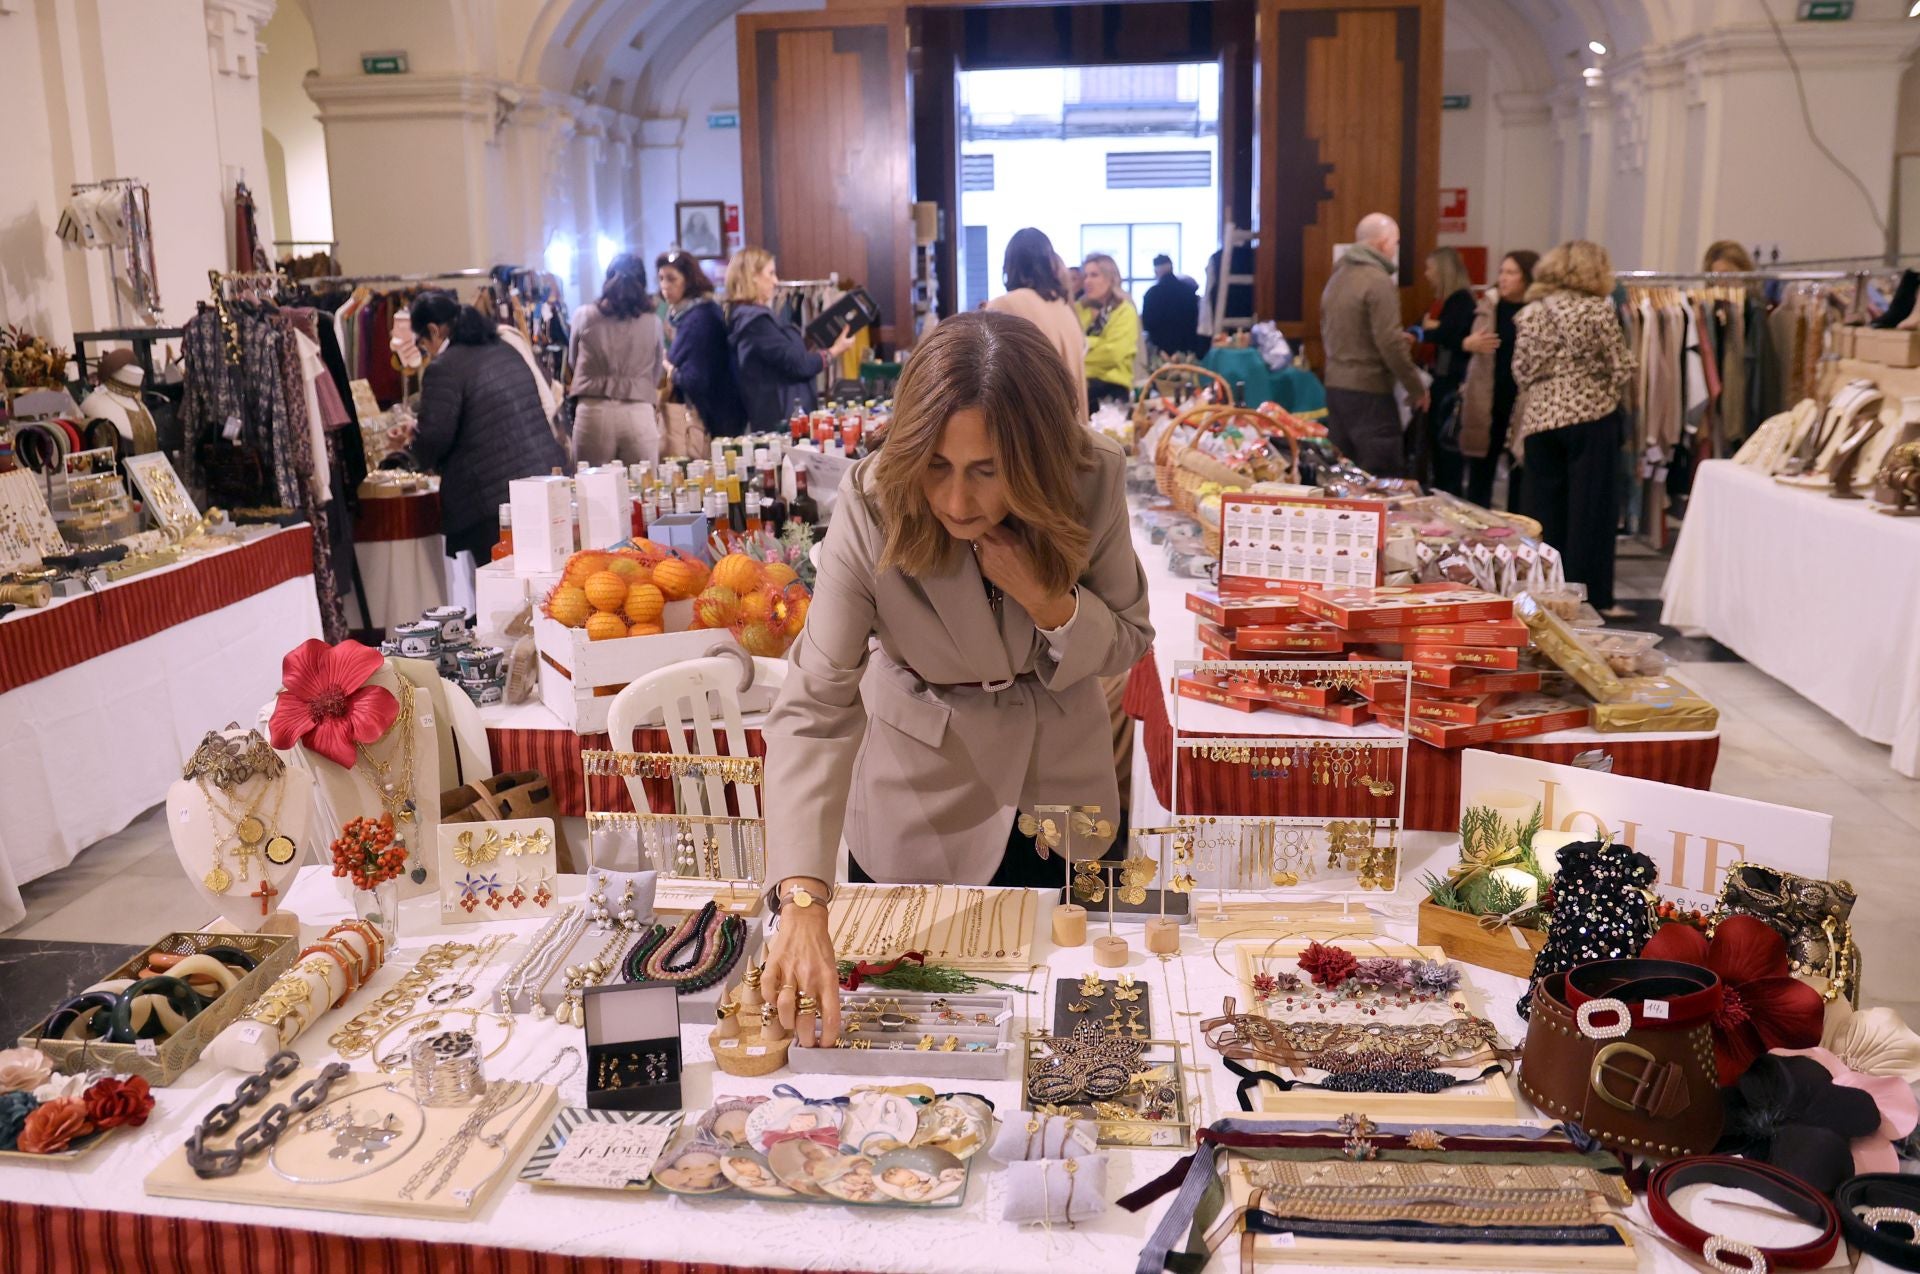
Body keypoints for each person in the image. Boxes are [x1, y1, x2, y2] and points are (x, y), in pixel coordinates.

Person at [756, 311, 1154, 1045]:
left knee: (1076, 1042)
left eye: (987, 471)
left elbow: (1128, 639)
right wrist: (803, 898)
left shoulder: (1091, 473)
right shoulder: (875, 499)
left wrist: (1050, 601)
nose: (957, 502)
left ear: (1036, 458)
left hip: (1062, 798)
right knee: (913, 1046)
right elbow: (814, 706)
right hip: (918, 799)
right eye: (936, 466)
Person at [1513, 240, 1637, 618]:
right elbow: (1621, 367)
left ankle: (1542, 594)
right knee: (1591, 511)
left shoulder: (1531, 312)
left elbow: (1521, 371)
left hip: (1541, 420)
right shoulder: (1599, 310)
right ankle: (1592, 598)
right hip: (1591, 416)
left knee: (1543, 509)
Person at [403, 291, 566, 563]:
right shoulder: (503, 348)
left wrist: (410, 447)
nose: (425, 351)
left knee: (502, 589)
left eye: (422, 343)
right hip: (540, 480)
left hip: (492, 501)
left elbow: (435, 435)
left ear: (433, 330)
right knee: (543, 579)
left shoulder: (444, 367)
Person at [1320, 213, 1428, 477]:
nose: (1395, 251)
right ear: (1383, 244)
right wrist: (1416, 387)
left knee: (1346, 476)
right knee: (1382, 478)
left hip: (1336, 386)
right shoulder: (1378, 280)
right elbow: (1389, 342)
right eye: (1395, 243)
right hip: (1369, 390)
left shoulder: (1337, 277)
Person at [725, 247, 854, 432]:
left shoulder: (750, 319)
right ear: (752, 276)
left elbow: (785, 356)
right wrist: (835, 350)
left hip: (778, 415)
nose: (776, 281)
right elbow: (797, 364)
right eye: (770, 273)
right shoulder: (756, 323)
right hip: (782, 420)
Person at [1457, 249, 1538, 510]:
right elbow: (1458, 340)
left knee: (1521, 471)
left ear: (1527, 277)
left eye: (1511, 272)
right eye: (1502, 271)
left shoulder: (1538, 312)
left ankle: (1520, 535)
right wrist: (1467, 343)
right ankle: (1477, 533)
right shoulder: (1488, 305)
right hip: (1487, 399)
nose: (1503, 278)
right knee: (1481, 468)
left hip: (1524, 403)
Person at [568, 253, 665, 466]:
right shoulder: (653, 322)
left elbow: (573, 361)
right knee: (643, 492)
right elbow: (656, 371)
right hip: (639, 410)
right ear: (643, 282)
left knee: (591, 491)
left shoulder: (584, 315)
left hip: (593, 410)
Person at [984, 227, 1086, 409]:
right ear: (1049, 262)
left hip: (1036, 428)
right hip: (1069, 427)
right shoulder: (1063, 306)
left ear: (1010, 264)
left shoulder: (1005, 306)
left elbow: (985, 376)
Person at [656, 249, 744, 451]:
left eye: (671, 279)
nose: (664, 286)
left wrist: (668, 366)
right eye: (661, 279)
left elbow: (695, 378)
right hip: (719, 414)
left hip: (713, 418)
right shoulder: (694, 312)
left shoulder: (699, 318)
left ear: (688, 280)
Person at [1419, 246, 1477, 494]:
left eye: (1430, 268)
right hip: (1441, 380)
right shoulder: (1444, 302)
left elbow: (1448, 334)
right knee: (1438, 453)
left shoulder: (1460, 300)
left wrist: (1427, 330)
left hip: (1451, 385)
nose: (1426, 274)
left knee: (1447, 452)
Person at [1077, 253, 1140, 409]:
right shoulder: (1079, 308)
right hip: (1078, 387)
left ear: (1110, 277)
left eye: (1094, 275)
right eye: (1085, 276)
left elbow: (1113, 354)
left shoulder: (1124, 311)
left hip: (1112, 391)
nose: (1087, 281)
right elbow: (1067, 344)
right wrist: (1097, 343)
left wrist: (1084, 346)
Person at [1140, 253, 1203, 359]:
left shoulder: (1152, 294)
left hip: (1161, 353)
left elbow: (1147, 324)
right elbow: (1196, 320)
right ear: (1172, 268)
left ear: (1155, 271)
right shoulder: (1188, 291)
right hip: (1188, 350)